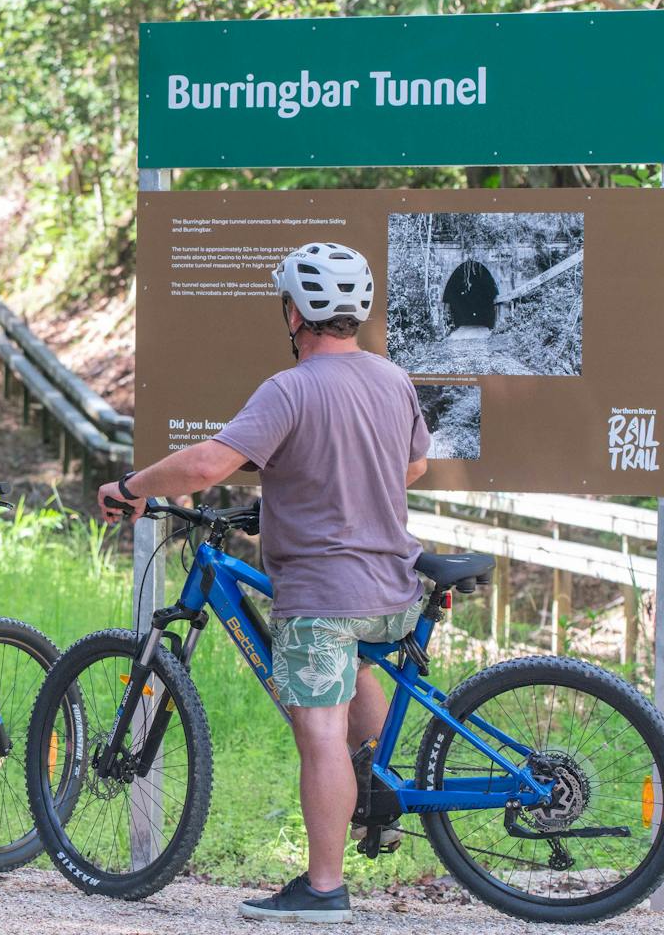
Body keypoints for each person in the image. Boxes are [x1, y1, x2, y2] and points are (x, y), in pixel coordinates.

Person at [96, 241, 430, 924]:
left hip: (325, 595)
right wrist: (340, 487)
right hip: (392, 587)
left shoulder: (292, 388)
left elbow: (208, 466)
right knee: (351, 683)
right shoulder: (392, 380)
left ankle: (325, 888)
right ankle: (377, 799)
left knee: (319, 735)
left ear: (295, 312)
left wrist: (133, 486)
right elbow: (415, 466)